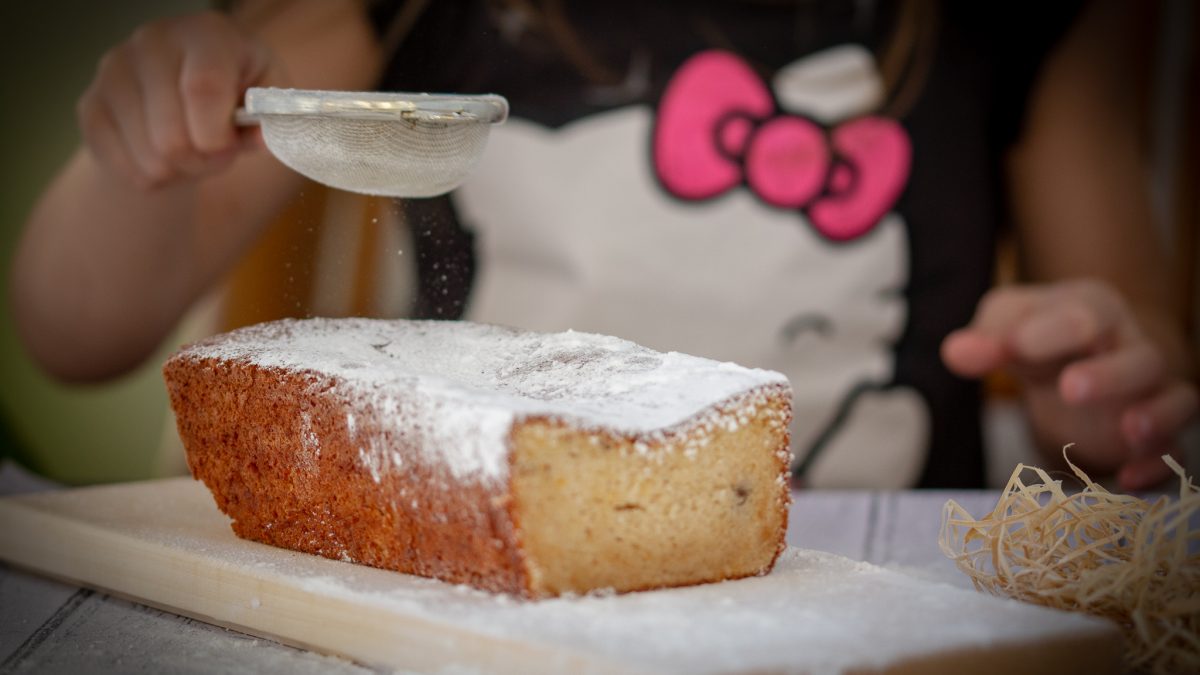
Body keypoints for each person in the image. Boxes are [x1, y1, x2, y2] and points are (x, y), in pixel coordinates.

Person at [10, 0, 1196, 490]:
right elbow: (75, 329)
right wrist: (148, 145)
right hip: (482, 577)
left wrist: (1099, 391)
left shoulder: (1017, 20)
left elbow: (1138, 395)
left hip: (874, 600)